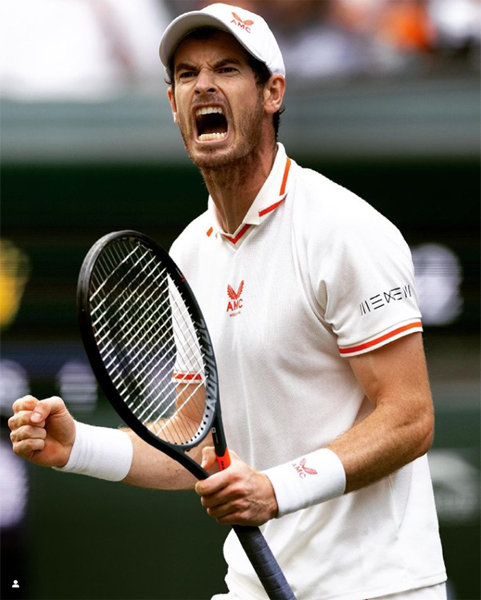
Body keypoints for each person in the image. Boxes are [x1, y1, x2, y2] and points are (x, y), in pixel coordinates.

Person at [9, 3, 447, 599]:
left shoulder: (343, 229)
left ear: (273, 92)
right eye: (187, 74)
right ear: (172, 104)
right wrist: (76, 447)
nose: (204, 86)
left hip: (376, 587)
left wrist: (275, 489)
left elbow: (410, 417)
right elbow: (193, 440)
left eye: (227, 69)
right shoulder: (189, 253)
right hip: (253, 586)